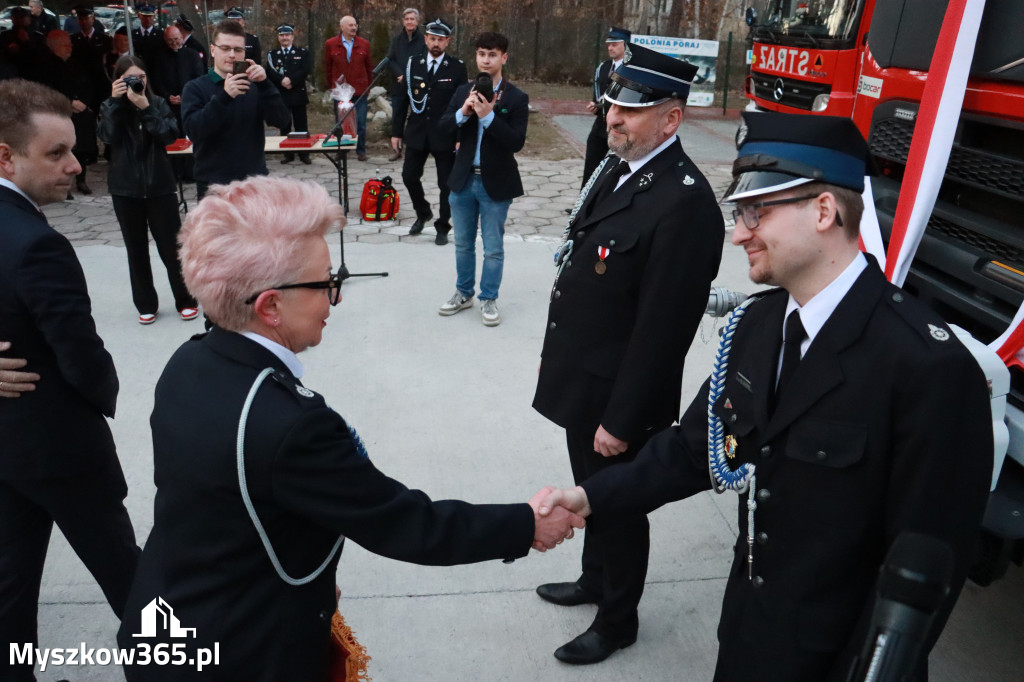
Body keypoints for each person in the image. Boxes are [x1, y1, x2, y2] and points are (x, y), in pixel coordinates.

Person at [536, 111, 994, 680]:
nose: (739, 233)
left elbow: (923, 572)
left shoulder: (927, 369)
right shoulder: (759, 326)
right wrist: (591, 497)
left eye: (758, 211)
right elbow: (689, 449)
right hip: (749, 633)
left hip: (837, 659)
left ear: (824, 211)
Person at [114, 175, 584, 680]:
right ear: (270, 306)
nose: (335, 298)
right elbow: (404, 523)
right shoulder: (290, 425)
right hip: (242, 649)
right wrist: (527, 525)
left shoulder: (189, 362)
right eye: (325, 283)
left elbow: (222, 508)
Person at [531, 42, 724, 665]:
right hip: (584, 380)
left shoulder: (686, 201)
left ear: (671, 117)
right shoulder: (622, 166)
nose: (614, 116)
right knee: (595, 493)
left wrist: (622, 417)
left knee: (620, 506)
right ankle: (595, 580)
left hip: (618, 396)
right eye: (613, 103)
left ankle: (618, 620)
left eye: (632, 109)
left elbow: (664, 329)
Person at [0, 79, 141, 680]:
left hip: (8, 453)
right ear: (5, 157)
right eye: (55, 153)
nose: (75, 166)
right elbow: (80, 355)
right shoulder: (38, 245)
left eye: (73, 150)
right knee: (134, 581)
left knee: (9, 581)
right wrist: (106, 395)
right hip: (61, 448)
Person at [98, 56, 199, 325]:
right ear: (118, 80)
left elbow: (169, 135)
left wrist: (145, 108)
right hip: (125, 188)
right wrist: (115, 103)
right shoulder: (111, 106)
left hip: (160, 186)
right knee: (136, 248)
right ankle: (145, 303)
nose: (136, 83)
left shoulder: (157, 103)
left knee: (171, 247)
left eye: (140, 78)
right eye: (129, 78)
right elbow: (106, 136)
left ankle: (186, 299)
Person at [437, 31, 528, 327]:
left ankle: (489, 297)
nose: (485, 60)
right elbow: (442, 129)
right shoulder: (464, 90)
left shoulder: (516, 97)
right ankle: (464, 293)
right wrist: (464, 112)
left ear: (504, 57)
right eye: (481, 54)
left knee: (493, 247)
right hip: (462, 181)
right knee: (463, 243)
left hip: (496, 184)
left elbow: (516, 141)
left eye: (492, 54)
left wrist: (489, 117)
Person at [181, 20, 289, 200]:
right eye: (225, 48)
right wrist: (224, 97)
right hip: (214, 185)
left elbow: (282, 121)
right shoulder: (195, 88)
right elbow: (194, 131)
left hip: (254, 184)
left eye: (238, 50)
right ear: (213, 50)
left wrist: (265, 85)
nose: (232, 55)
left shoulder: (254, 87)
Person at [392, 17, 466, 245]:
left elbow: (464, 104)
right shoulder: (413, 63)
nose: (436, 43)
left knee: (446, 184)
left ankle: (443, 225)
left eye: (440, 40)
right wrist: (396, 132)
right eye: (432, 39)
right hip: (417, 131)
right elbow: (402, 99)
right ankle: (423, 212)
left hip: (445, 133)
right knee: (409, 176)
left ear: (447, 42)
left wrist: (460, 137)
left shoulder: (457, 67)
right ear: (425, 39)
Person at [41, 29, 107, 197]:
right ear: (54, 46)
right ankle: (65, 183)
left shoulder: (76, 63)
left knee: (82, 149)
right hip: (61, 114)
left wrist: (85, 102)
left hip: (81, 114)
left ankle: (81, 180)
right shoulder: (46, 65)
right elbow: (48, 90)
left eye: (70, 44)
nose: (69, 47)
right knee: (64, 150)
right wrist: (69, 102)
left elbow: (88, 84)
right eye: (65, 45)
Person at [581, 26, 630, 191]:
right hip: (601, 124)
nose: (610, 47)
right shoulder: (603, 67)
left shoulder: (632, 69)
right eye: (609, 44)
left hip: (623, 125)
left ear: (626, 45)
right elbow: (597, 95)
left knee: (621, 167)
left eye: (615, 44)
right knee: (591, 165)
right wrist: (594, 105)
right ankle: (583, 205)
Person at [323, 15, 373, 161]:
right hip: (340, 92)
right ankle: (342, 150)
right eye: (350, 25)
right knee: (341, 123)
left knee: (361, 123)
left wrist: (368, 87)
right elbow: (327, 67)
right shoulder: (331, 44)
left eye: (355, 25)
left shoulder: (364, 44)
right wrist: (332, 86)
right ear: (342, 27)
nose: (353, 28)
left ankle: (361, 150)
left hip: (360, 90)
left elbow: (369, 67)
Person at [266, 23, 312, 165]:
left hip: (298, 92)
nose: (284, 38)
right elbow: (270, 72)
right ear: (278, 37)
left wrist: (291, 80)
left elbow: (305, 69)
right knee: (285, 125)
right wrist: (282, 81)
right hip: (282, 94)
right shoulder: (272, 55)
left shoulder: (302, 53)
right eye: (282, 35)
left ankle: (304, 154)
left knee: (301, 125)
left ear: (292, 36)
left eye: (287, 35)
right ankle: (288, 154)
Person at [384, 7, 424, 162]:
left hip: (416, 86)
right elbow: (390, 59)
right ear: (403, 21)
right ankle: (396, 149)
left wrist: (409, 77)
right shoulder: (397, 39)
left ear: (417, 21)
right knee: (398, 117)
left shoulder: (423, 40)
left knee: (417, 116)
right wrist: (400, 74)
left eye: (412, 19)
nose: (409, 22)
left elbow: (423, 60)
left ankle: (415, 148)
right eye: (407, 19)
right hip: (399, 85)